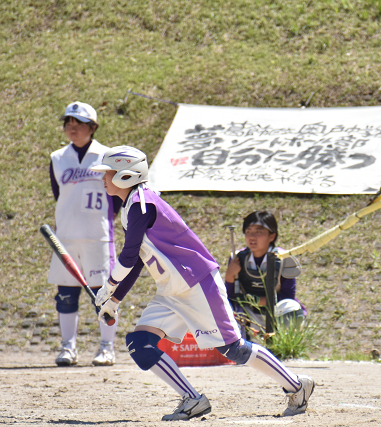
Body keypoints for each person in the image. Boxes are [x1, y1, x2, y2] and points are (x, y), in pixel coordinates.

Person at [90, 146, 314, 421]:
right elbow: (136, 259)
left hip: (197, 283)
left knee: (234, 349)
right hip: (172, 289)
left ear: (126, 175)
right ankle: (192, 399)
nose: (103, 178)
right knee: (141, 343)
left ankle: (296, 385)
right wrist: (114, 299)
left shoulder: (140, 204)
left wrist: (110, 285)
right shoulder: (132, 205)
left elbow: (127, 255)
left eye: (108, 172)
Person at [48, 102, 121, 366]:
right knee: (66, 293)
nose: (72, 127)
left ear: (93, 127)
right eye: (68, 122)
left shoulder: (106, 156)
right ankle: (68, 348)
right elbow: (60, 196)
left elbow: (117, 196)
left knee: (104, 293)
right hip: (66, 237)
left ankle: (106, 347)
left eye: (78, 123)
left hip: (98, 237)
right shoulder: (57, 157)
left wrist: (106, 220)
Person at [224, 211, 305, 340]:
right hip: (248, 312)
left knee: (291, 307)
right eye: (248, 231)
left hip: (276, 312)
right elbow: (230, 297)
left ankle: (284, 346)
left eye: (259, 232)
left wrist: (256, 300)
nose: (252, 237)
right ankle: (240, 348)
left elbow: (288, 296)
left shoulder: (284, 259)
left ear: (272, 236)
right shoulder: (237, 258)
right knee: (226, 310)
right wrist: (229, 276)